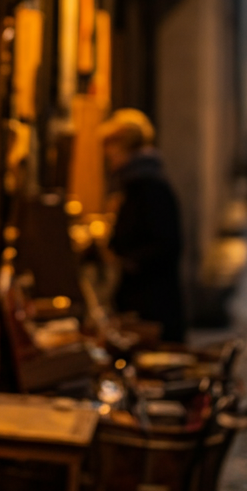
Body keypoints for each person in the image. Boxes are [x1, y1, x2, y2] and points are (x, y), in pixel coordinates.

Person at [102, 108, 186, 342]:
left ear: (124, 148)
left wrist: (130, 260)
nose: (109, 160)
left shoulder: (149, 189)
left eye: (112, 151)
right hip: (145, 299)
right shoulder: (136, 186)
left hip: (152, 304)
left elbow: (167, 244)